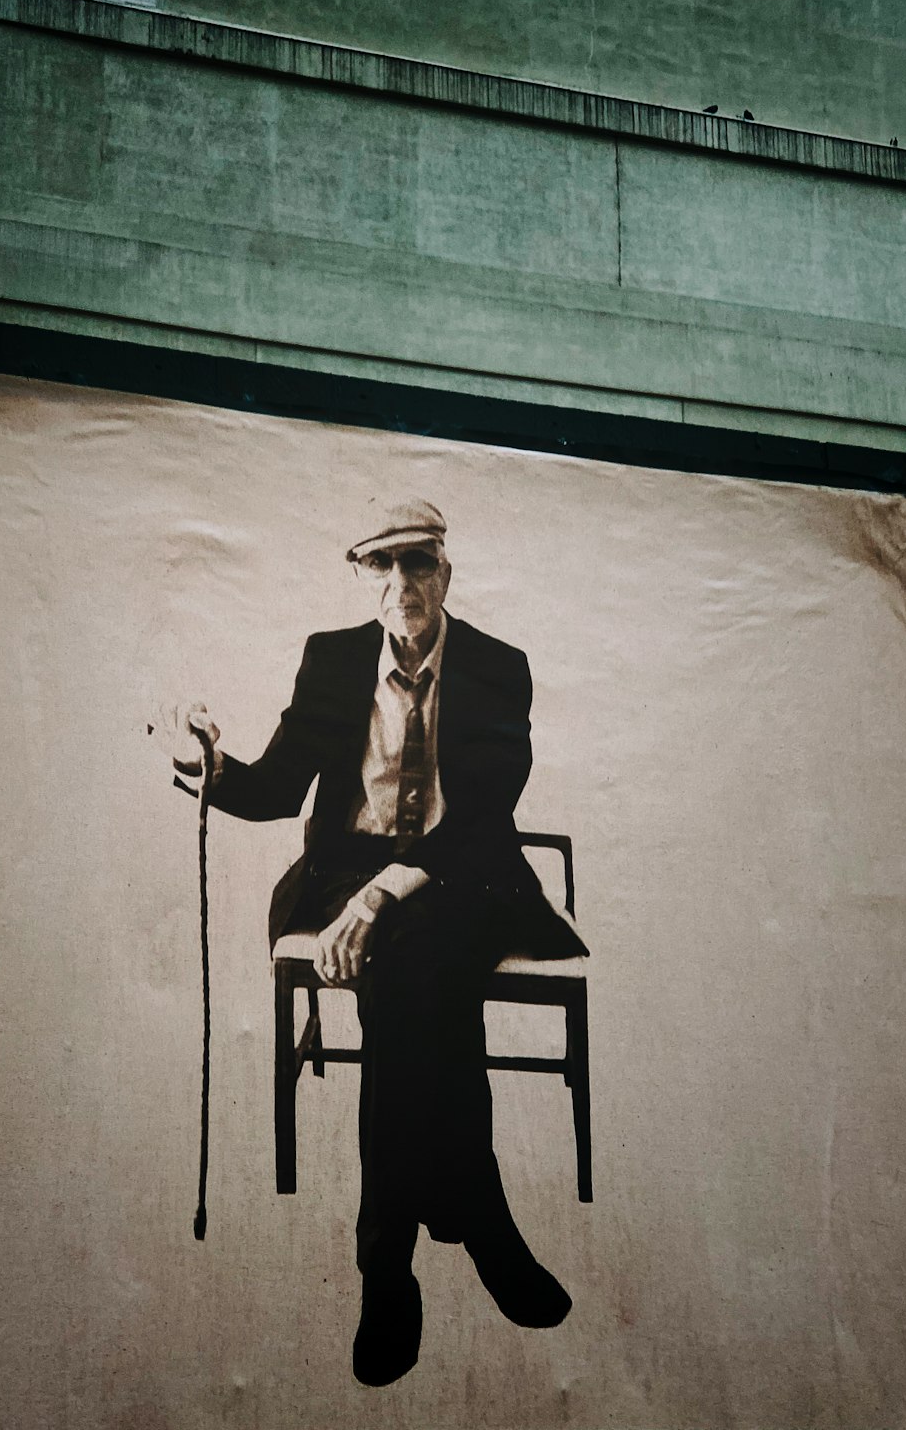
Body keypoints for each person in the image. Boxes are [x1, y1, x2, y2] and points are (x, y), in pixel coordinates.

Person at [170, 497, 584, 1386]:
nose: (404, 583)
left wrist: (384, 895)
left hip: (463, 874)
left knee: (410, 963)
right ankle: (479, 1218)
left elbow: (481, 817)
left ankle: (385, 1265)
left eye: (420, 563)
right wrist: (217, 768)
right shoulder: (331, 659)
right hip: (345, 873)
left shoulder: (498, 668)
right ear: (365, 577)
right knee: (413, 982)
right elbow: (282, 787)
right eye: (384, 565)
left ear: (446, 571)